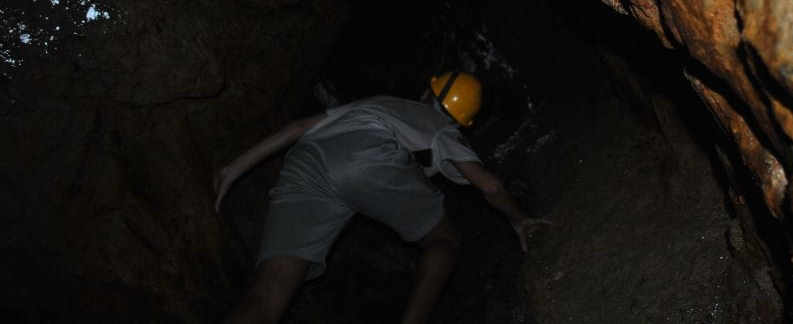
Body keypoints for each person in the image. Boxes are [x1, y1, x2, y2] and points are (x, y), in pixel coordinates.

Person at [214, 71, 552, 324]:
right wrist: (519, 220)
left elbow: (298, 127)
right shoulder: (443, 129)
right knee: (445, 242)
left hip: (308, 160)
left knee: (271, 289)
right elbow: (488, 186)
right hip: (369, 157)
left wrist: (232, 168)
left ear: (426, 91)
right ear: (464, 123)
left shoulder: (381, 103)